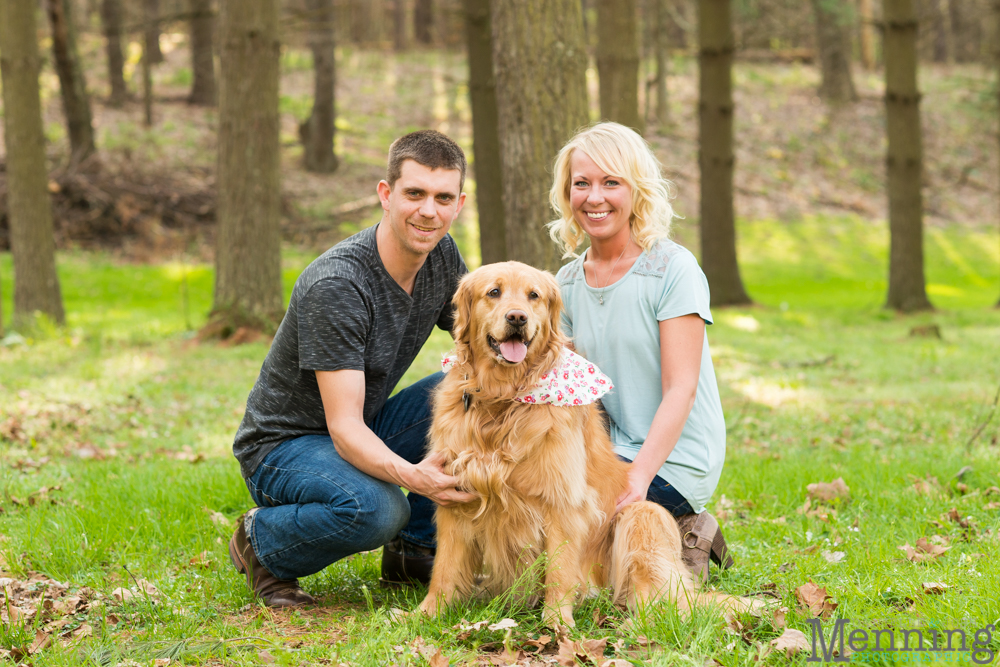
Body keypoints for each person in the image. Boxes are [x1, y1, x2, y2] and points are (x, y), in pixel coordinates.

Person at [228, 130, 476, 607]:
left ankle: (414, 550)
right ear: (386, 195)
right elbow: (343, 428)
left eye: (443, 197)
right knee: (379, 509)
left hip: (364, 422)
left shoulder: (442, 256)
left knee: (469, 389)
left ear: (459, 203)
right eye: (415, 194)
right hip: (285, 445)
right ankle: (262, 541)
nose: (429, 211)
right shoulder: (339, 284)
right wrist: (412, 476)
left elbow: (475, 343)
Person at [549, 122, 733, 582]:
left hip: (674, 456)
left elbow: (681, 389)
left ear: (637, 190)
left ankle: (689, 536)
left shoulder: (672, 269)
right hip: (608, 450)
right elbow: (573, 396)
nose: (595, 197)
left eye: (612, 182)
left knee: (580, 535)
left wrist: (638, 477)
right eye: (582, 184)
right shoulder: (566, 284)